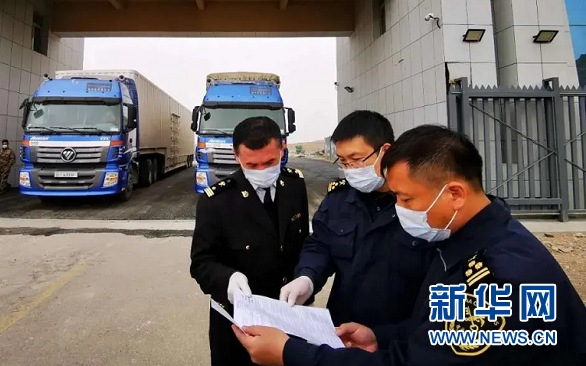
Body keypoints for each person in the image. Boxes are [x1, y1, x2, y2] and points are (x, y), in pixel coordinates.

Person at [233, 125, 586, 366]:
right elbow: (435, 329)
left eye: (406, 198)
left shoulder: (499, 278)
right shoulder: (467, 239)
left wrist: (291, 354)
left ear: (455, 194)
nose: (400, 209)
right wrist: (380, 337)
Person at [280, 111, 435, 328]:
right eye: (343, 161)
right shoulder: (339, 200)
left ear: (385, 151)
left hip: (401, 332)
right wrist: (307, 277)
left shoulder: (419, 203)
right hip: (344, 328)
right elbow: (320, 245)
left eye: (356, 159)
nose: (350, 169)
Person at [190, 116, 310, 366]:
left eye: (270, 162)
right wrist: (228, 279)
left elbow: (302, 243)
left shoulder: (295, 186)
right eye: (252, 165)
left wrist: (306, 279)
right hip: (239, 324)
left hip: (290, 315)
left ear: (283, 149)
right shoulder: (216, 201)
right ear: (237, 156)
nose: (262, 171)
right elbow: (201, 263)